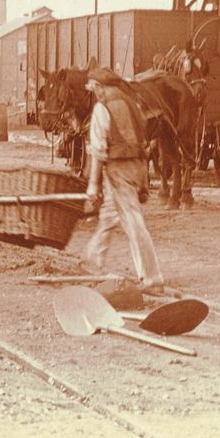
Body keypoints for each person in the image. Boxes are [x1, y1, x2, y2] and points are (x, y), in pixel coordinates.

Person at [83, 68, 164, 293]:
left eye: (95, 89)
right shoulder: (133, 103)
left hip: (118, 170)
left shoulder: (102, 109)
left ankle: (152, 279)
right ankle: (92, 262)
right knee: (110, 214)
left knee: (133, 220)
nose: (94, 94)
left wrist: (92, 185)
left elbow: (98, 151)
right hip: (137, 167)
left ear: (100, 87)